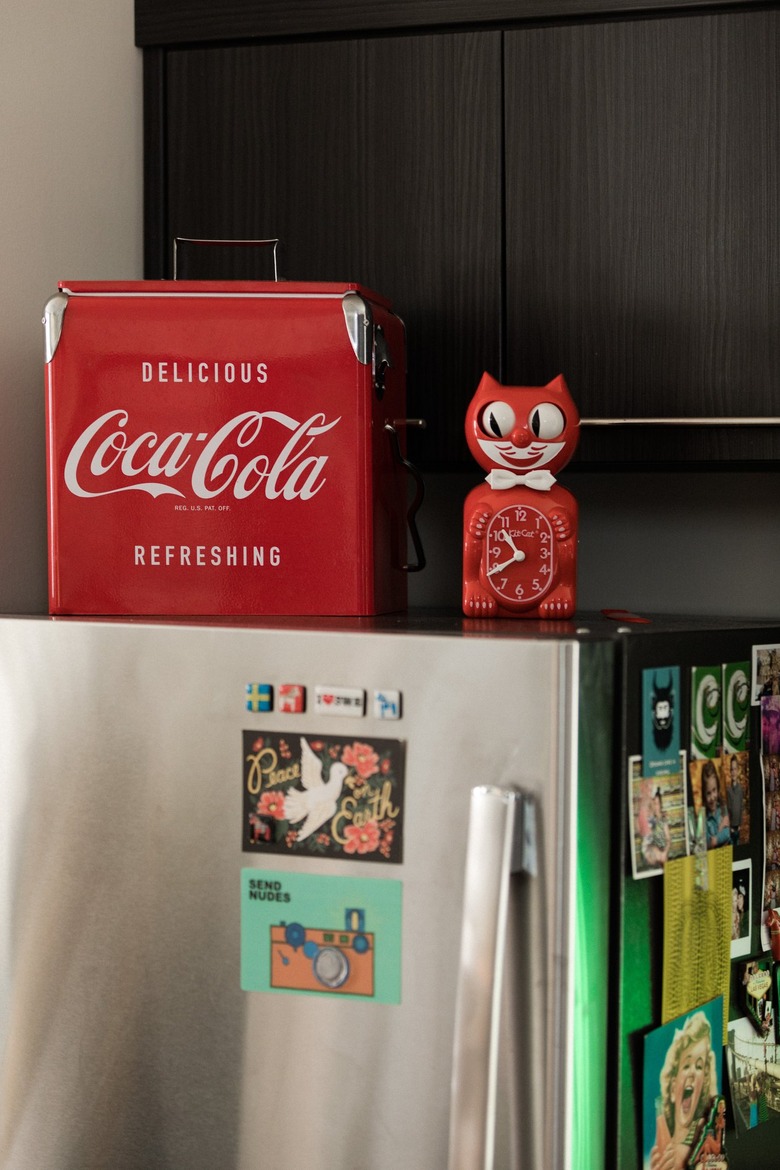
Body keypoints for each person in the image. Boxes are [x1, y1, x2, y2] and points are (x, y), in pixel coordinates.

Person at [650, 1011, 718, 1170]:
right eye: (686, 1065)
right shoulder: (660, 1152)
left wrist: (713, 1087)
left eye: (699, 1066)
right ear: (673, 1089)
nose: (693, 1072)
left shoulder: (702, 1135)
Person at [702, 761, 730, 849]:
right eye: (708, 793)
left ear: (718, 788)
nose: (712, 797)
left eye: (714, 790)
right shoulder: (704, 818)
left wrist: (715, 839)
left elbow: (728, 833)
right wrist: (721, 827)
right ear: (704, 794)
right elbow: (708, 844)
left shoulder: (723, 808)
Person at [642, 788, 671, 866]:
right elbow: (648, 841)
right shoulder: (649, 819)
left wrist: (665, 852)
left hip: (661, 851)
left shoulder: (663, 819)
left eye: (657, 803)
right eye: (654, 803)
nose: (655, 806)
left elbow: (668, 839)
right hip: (651, 851)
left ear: (660, 804)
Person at [726, 755, 743, 846]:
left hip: (738, 827)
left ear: (738, 770)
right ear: (730, 771)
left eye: (735, 769)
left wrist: (740, 824)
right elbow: (727, 809)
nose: (733, 772)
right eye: (731, 769)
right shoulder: (728, 790)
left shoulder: (740, 789)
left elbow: (741, 806)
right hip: (731, 827)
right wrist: (729, 827)